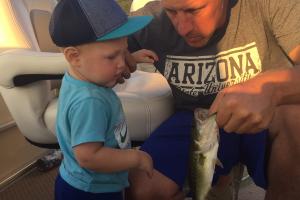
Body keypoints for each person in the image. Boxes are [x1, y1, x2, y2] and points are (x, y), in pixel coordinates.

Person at [125, 0, 300, 199]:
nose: (183, 28)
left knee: (296, 119)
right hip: (196, 121)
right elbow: (86, 51)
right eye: (171, 12)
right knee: (142, 188)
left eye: (194, 10)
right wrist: (113, 56)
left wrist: (273, 90)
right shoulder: (148, 20)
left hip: (269, 117)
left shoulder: (272, 4)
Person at [48, 0, 159, 199]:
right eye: (111, 57)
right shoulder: (90, 101)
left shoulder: (81, 77)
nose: (121, 64)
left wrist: (129, 56)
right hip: (91, 191)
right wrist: (136, 157)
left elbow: (101, 63)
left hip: (86, 182)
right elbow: (89, 156)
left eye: (123, 51)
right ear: (74, 56)